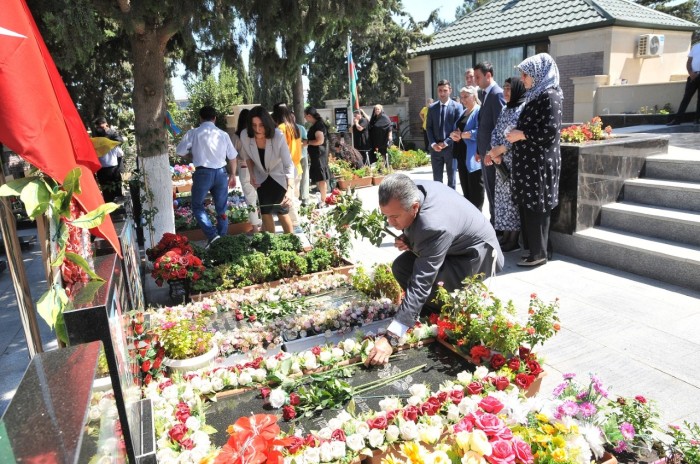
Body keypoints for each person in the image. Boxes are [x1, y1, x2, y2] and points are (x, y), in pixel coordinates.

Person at [365, 174, 503, 366]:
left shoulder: (433, 225)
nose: (390, 223)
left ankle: (442, 318)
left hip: (477, 257)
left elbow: (422, 282)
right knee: (401, 267)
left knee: (427, 281)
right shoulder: (413, 189)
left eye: (394, 217)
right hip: (454, 246)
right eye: (386, 215)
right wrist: (409, 238)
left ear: (414, 207)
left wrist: (391, 337)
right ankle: (426, 312)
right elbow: (419, 230)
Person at [506, 53, 563, 267]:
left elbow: (550, 131)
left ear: (539, 74)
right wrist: (516, 131)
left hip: (538, 164)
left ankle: (539, 253)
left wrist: (521, 135)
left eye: (525, 74)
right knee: (527, 206)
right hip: (528, 164)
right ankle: (532, 249)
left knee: (536, 207)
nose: (522, 78)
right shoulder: (536, 95)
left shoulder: (550, 96)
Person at [176, 106, 238, 247]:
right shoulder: (223, 134)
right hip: (221, 173)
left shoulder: (193, 133)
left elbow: (179, 151)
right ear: (215, 118)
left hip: (203, 173)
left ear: (200, 118)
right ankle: (222, 238)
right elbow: (233, 157)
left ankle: (212, 235)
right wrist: (233, 174)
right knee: (221, 208)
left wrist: (191, 155)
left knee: (197, 206)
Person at [485, 77, 527, 252]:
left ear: (517, 89)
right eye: (505, 88)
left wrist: (500, 150)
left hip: (513, 161)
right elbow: (496, 131)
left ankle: (513, 240)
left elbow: (516, 136)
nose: (506, 92)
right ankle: (506, 236)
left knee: (512, 202)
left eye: (509, 88)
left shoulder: (522, 109)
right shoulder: (505, 108)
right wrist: (494, 151)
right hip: (500, 162)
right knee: (502, 201)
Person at [239, 106, 295, 234]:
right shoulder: (245, 135)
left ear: (267, 124)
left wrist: (290, 189)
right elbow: (248, 157)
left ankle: (292, 242)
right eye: (254, 125)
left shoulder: (278, 136)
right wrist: (252, 174)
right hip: (261, 176)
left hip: (279, 175)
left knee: (282, 211)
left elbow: (288, 164)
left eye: (261, 125)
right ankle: (270, 244)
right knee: (265, 212)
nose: (257, 129)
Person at [474, 61, 506, 227]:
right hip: (485, 152)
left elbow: (499, 127)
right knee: (489, 190)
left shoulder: (497, 94)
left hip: (492, 154)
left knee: (494, 191)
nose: (475, 81)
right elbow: (484, 125)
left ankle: (498, 226)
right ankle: (495, 222)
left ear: (488, 75)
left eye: (478, 77)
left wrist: (492, 151)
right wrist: (479, 150)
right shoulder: (485, 94)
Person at [227, 108, 262, 231]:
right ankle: (264, 223)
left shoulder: (236, 136)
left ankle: (255, 228)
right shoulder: (257, 134)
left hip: (244, 167)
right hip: (259, 167)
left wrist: (232, 172)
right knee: (261, 196)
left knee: (250, 197)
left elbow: (232, 155)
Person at [426, 79, 463, 189]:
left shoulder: (457, 107)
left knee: (452, 179)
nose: (442, 93)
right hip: (435, 149)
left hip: (451, 148)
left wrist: (446, 143)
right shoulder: (432, 108)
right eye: (440, 90)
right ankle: (439, 203)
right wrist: (433, 144)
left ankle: (451, 203)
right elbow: (429, 127)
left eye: (445, 90)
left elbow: (458, 128)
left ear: (450, 90)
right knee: (437, 180)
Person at [272, 103, 303, 233]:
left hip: (287, 168)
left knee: (289, 198)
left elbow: (279, 150)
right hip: (297, 166)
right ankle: (296, 221)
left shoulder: (281, 128)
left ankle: (295, 225)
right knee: (295, 196)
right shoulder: (294, 127)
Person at [449, 86, 483, 209]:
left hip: (473, 155)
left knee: (475, 189)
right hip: (461, 154)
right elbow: (458, 129)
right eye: (461, 97)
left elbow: (480, 131)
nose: (463, 100)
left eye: (466, 96)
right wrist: (453, 134)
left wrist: (462, 135)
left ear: (473, 96)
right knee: (466, 189)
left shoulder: (478, 111)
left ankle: (478, 219)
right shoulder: (464, 112)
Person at [667, 40, 700, 125]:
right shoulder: (695, 47)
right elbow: (689, 61)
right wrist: (691, 73)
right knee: (686, 98)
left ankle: (697, 120)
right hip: (693, 76)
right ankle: (677, 120)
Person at [304, 107, 331, 206]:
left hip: (319, 155)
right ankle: (323, 199)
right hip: (318, 155)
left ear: (309, 116)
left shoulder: (318, 126)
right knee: (320, 178)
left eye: (305, 116)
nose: (305, 118)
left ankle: (323, 200)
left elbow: (320, 141)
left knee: (321, 178)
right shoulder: (317, 124)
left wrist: (307, 142)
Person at [93, 117, 124, 202]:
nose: (99, 128)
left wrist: (107, 143)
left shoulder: (113, 134)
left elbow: (120, 140)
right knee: (109, 190)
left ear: (106, 124)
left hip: (112, 167)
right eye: (98, 127)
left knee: (113, 189)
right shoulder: (99, 138)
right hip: (105, 168)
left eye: (101, 126)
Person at [296, 119, 310, 207]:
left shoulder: (300, 128)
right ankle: (299, 198)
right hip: (296, 156)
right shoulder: (300, 127)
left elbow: (306, 142)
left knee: (303, 176)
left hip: (301, 156)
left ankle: (304, 198)